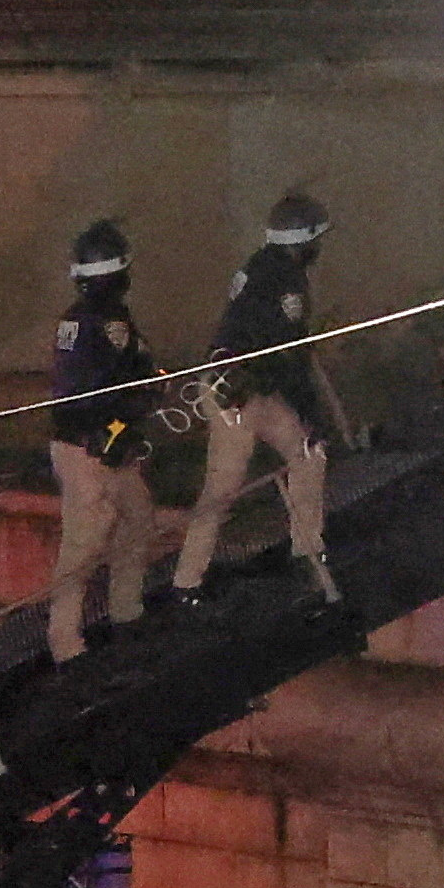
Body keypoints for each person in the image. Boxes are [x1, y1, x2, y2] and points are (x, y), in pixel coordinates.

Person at [178, 189, 349, 607]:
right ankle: (187, 582)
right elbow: (289, 358)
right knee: (222, 488)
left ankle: (307, 549)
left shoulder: (260, 266)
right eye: (316, 240)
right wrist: (311, 414)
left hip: (253, 388)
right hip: (235, 395)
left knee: (307, 454)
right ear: (303, 242)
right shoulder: (287, 283)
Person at [40, 225, 164, 661]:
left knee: (138, 516)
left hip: (104, 441)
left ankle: (126, 611)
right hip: (91, 446)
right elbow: (108, 384)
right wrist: (139, 398)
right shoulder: (106, 321)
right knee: (83, 545)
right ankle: (65, 643)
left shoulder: (80, 318)